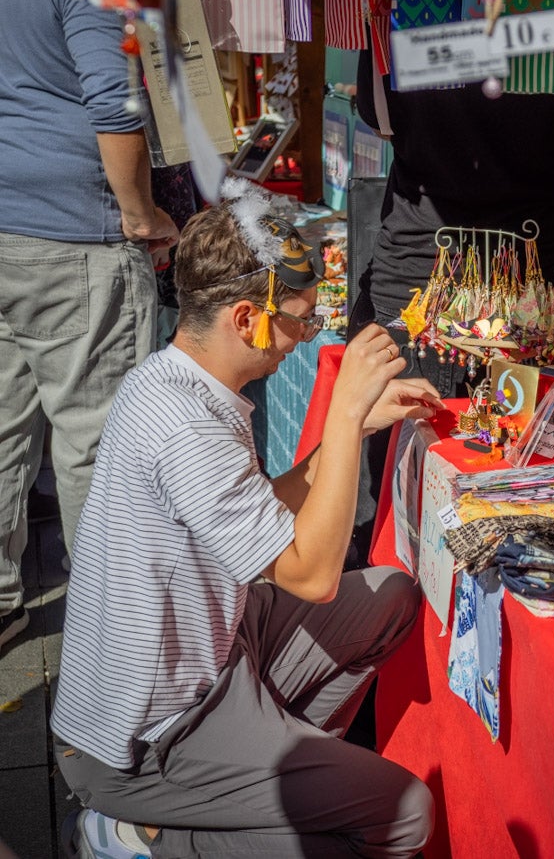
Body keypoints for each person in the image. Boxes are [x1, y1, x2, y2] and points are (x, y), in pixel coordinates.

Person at [50, 182, 444, 859]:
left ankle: (262, 787)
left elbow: (265, 504)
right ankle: (147, 834)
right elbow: (313, 575)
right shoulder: (183, 424)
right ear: (244, 318)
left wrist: (350, 431)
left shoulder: (175, 378)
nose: (303, 335)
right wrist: (346, 416)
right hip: (149, 734)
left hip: (214, 651)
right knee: (406, 815)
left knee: (392, 599)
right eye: (299, 319)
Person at [0, 0, 179, 651]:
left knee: (6, 427)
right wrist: (140, 215)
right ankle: (114, 636)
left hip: (14, 220)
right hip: (74, 229)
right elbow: (115, 102)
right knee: (95, 443)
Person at [350, 0, 554, 398]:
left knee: (408, 462)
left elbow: (381, 122)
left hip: (415, 284)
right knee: (513, 460)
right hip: (527, 296)